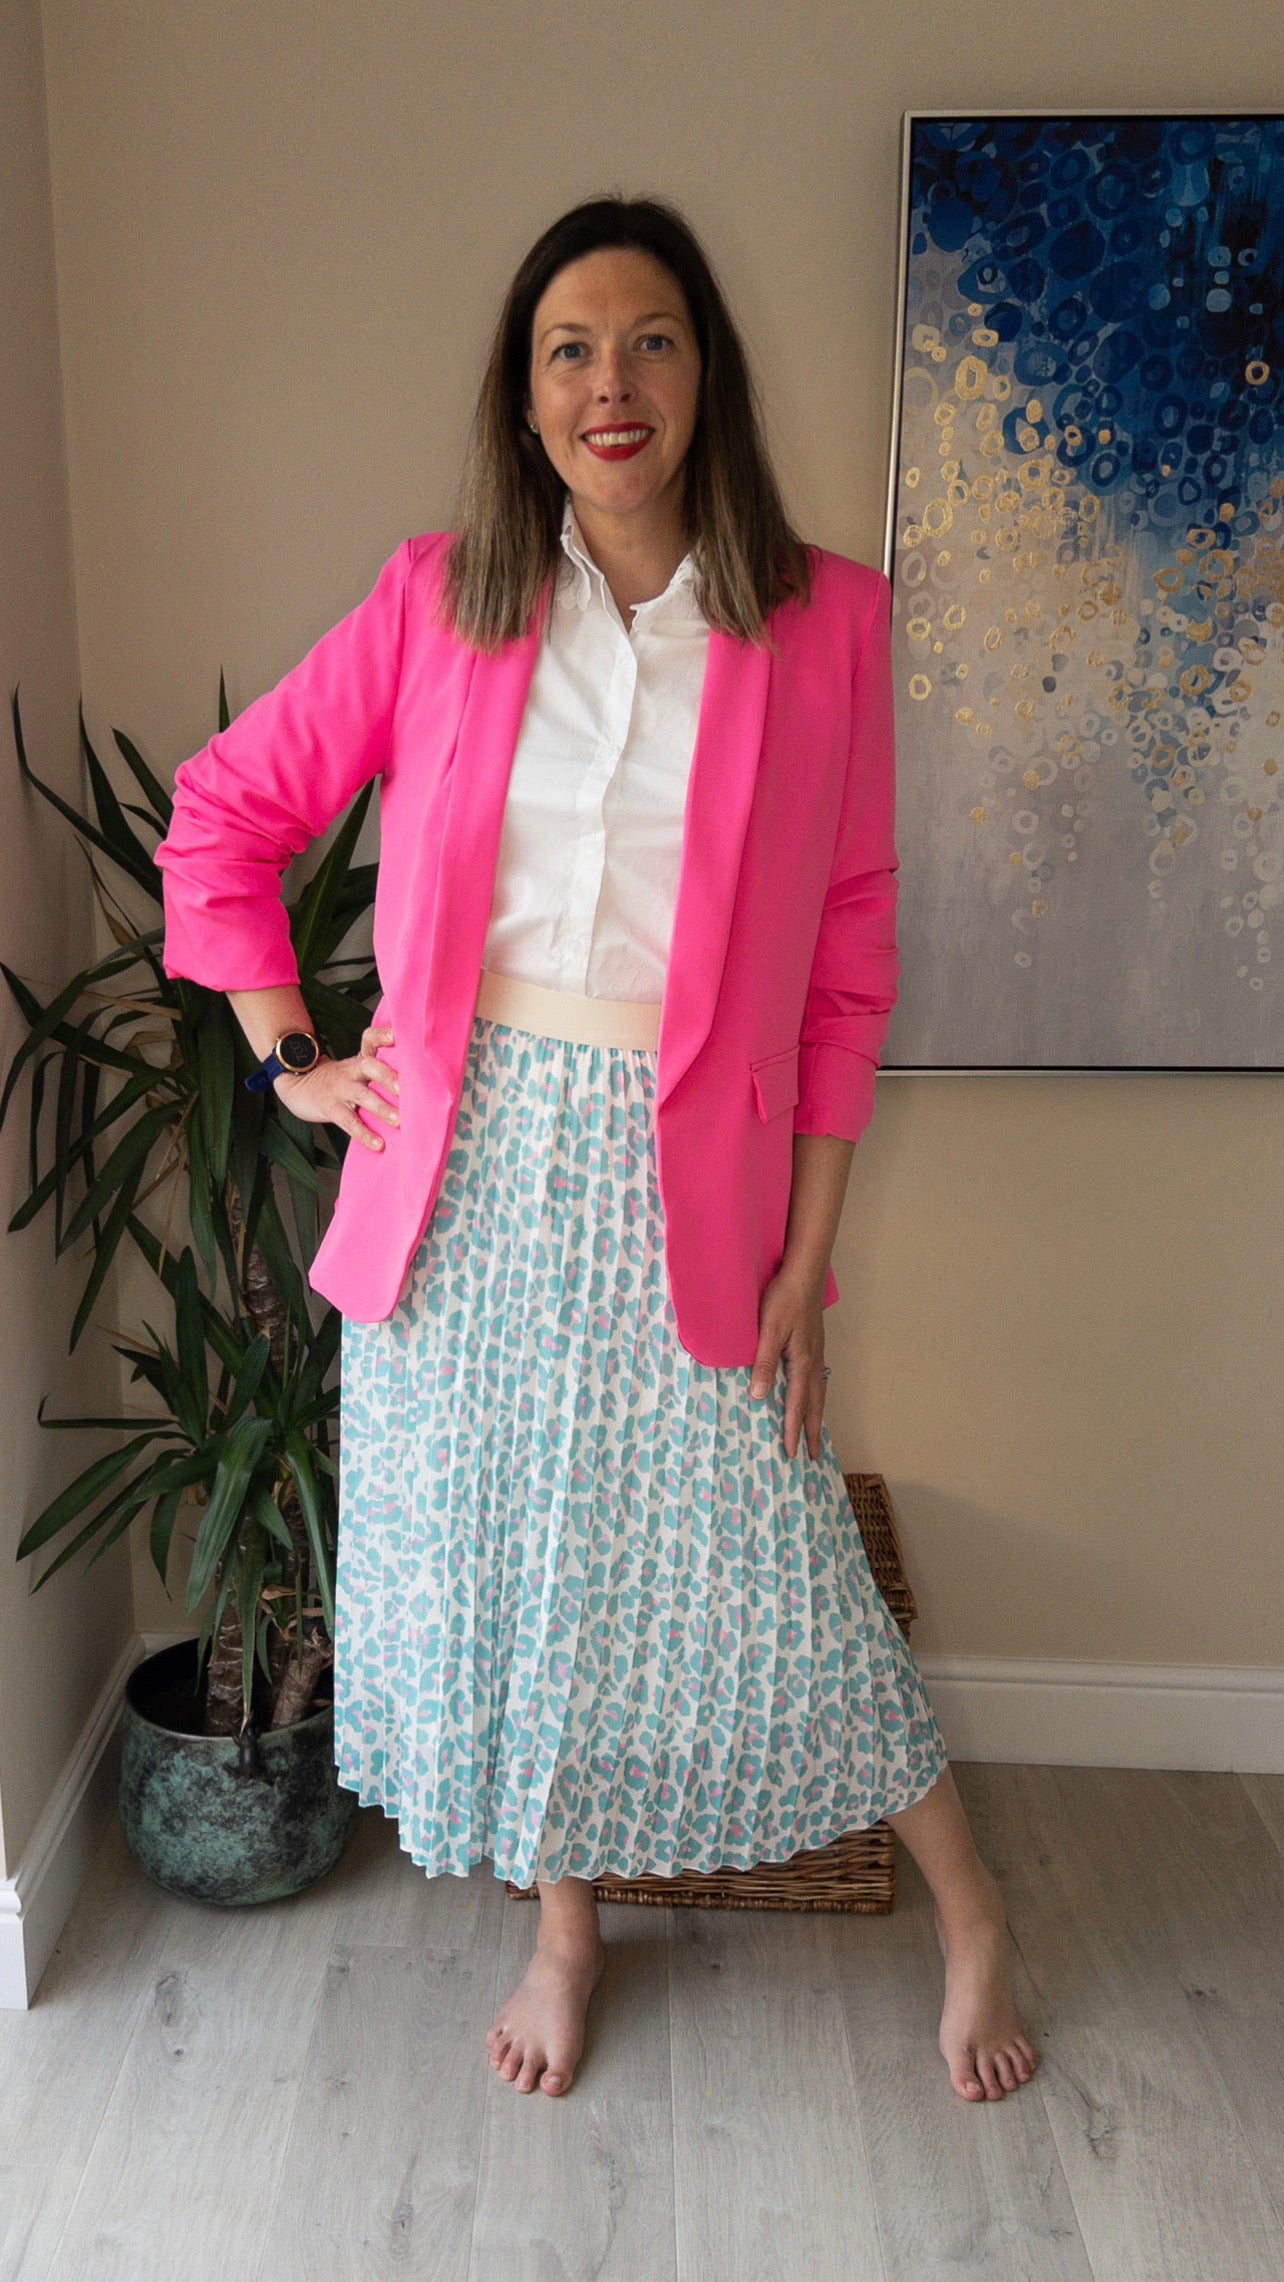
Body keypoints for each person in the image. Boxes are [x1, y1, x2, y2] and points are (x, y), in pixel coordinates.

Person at [156, 194, 1038, 2106]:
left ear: (704, 372)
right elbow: (223, 817)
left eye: (647, 340)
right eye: (569, 348)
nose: (609, 381)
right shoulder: (441, 602)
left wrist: (811, 1254)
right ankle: (565, 1928)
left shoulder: (822, 629)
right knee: (520, 1576)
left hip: (688, 1185)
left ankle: (972, 1912)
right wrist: (293, 1059)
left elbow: (848, 966)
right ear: (526, 396)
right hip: (460, 1192)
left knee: (778, 1563)